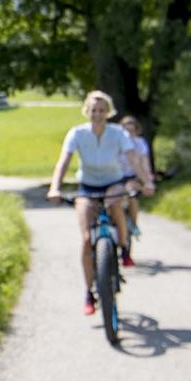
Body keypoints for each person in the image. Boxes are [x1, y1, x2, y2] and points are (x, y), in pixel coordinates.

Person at [46, 90, 153, 315]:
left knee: (115, 203)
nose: (98, 114)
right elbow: (63, 162)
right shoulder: (77, 133)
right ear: (87, 111)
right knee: (86, 239)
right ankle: (89, 292)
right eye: (94, 110)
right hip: (87, 186)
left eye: (102, 110)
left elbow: (133, 160)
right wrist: (55, 187)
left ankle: (123, 248)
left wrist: (146, 182)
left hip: (112, 182)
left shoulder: (118, 134)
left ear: (108, 112)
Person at [115, 114, 153, 255]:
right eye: (126, 130)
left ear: (137, 132)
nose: (128, 134)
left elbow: (144, 162)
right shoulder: (116, 143)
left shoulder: (140, 144)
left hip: (132, 176)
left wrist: (147, 179)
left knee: (131, 194)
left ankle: (134, 224)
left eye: (132, 131)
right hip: (117, 177)